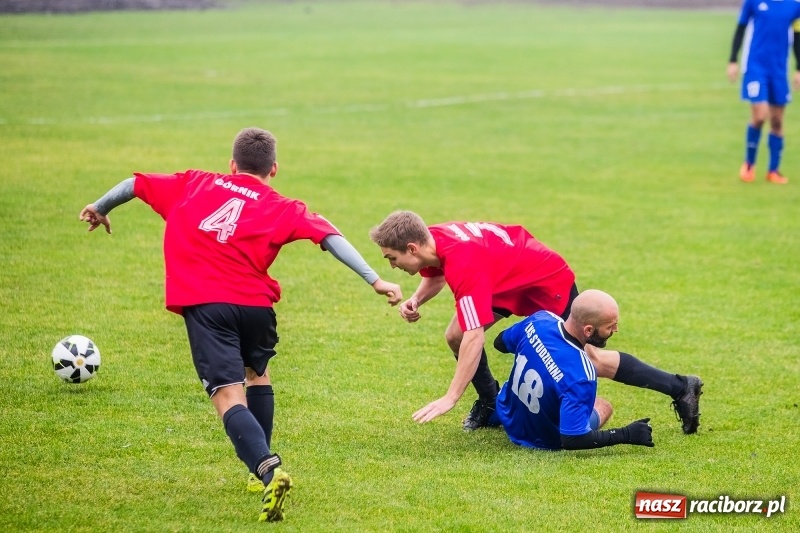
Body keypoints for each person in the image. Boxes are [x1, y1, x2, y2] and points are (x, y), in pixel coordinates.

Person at [79, 127, 402, 522]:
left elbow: (134, 183)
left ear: (231, 165)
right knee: (257, 375)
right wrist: (375, 279)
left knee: (228, 397)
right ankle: (258, 469)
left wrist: (100, 207)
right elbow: (330, 236)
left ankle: (267, 469)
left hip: (207, 305)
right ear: (274, 170)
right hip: (255, 308)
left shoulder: (193, 183)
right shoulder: (285, 206)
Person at [368, 210, 702, 435]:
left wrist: (450, 396)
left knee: (589, 361)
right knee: (453, 333)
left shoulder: (463, 263)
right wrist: (416, 299)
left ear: (411, 247)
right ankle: (490, 403)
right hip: (507, 278)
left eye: (392, 258)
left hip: (545, 282)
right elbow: (435, 275)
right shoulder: (434, 241)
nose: (392, 265)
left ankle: (680, 387)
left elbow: (475, 337)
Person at [492, 290, 654, 451]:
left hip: (507, 413)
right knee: (603, 405)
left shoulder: (539, 320)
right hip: (541, 440)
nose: (615, 330)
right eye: (610, 326)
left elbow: (499, 343)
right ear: (588, 330)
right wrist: (626, 434)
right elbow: (573, 439)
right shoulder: (581, 375)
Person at [727, 0, 800, 184]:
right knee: (760, 116)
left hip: (778, 70)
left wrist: (799, 68)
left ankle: (773, 170)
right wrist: (733, 60)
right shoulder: (753, 2)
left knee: (777, 121)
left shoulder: (794, 5)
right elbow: (741, 28)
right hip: (755, 67)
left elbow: (798, 37)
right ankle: (749, 164)